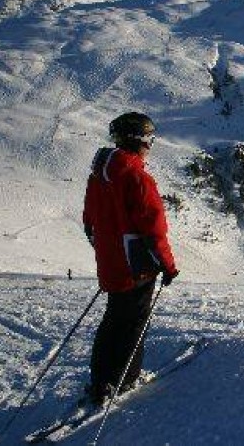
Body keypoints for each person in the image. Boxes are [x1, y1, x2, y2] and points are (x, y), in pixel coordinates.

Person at [83, 112, 178, 405]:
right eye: (149, 138)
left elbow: (89, 221)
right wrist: (167, 265)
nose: (151, 144)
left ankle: (101, 382)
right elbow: (153, 228)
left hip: (111, 260)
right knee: (134, 323)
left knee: (113, 319)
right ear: (139, 140)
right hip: (137, 265)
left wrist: (107, 251)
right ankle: (124, 380)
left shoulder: (99, 176)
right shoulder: (137, 177)